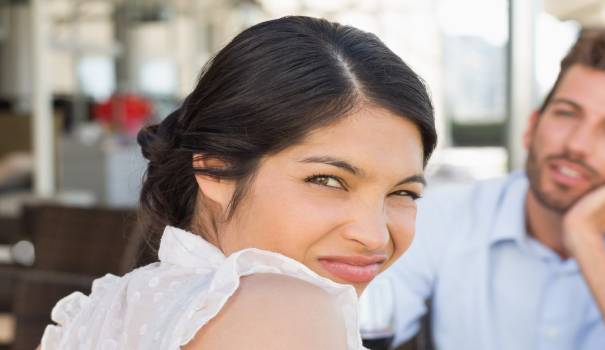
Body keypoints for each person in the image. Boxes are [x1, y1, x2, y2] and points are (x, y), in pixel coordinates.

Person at [39, 16, 436, 350]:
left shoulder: (96, 313)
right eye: (327, 180)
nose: (373, 236)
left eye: (403, 192)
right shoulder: (289, 310)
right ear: (215, 168)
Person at [386, 29, 605, 350]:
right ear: (532, 127)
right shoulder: (449, 215)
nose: (578, 144)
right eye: (567, 114)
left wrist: (585, 237)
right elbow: (364, 322)